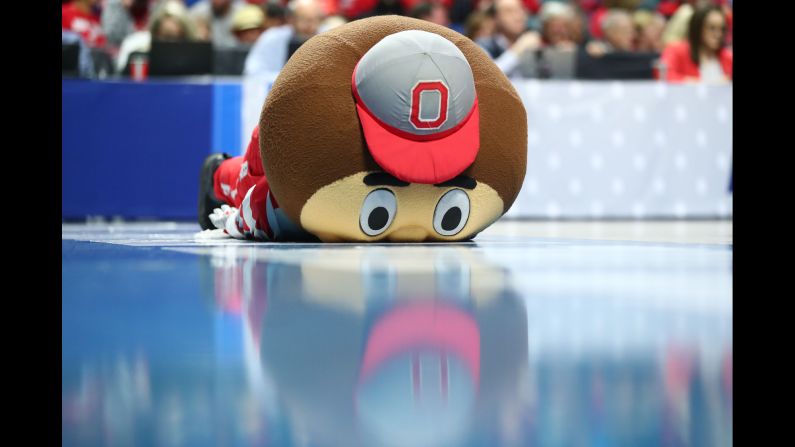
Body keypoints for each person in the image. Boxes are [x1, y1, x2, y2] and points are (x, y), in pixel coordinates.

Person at [243, 0, 324, 75]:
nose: (311, 26)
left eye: (316, 20)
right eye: (304, 20)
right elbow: (253, 71)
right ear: (290, 19)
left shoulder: (326, 39)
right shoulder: (272, 37)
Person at [114, 0, 196, 73]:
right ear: (155, 33)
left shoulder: (196, 63)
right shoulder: (138, 60)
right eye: (166, 37)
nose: (171, 44)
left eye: (177, 38)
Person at [659, 4, 731, 83]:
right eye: (712, 28)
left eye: (722, 29)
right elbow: (663, 74)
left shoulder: (728, 57)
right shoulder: (676, 51)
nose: (718, 34)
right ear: (698, 27)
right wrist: (696, 83)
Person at [475, 0, 542, 77]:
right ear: (495, 19)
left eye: (521, 10)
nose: (518, 16)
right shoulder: (484, 45)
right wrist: (518, 49)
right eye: (509, 11)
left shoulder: (534, 43)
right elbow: (488, 76)